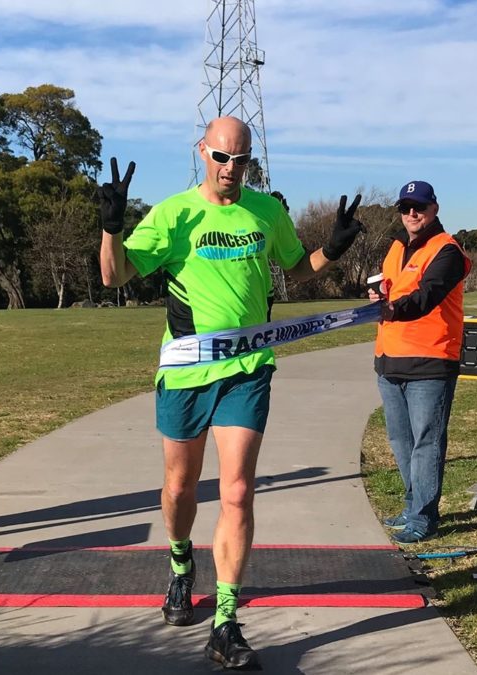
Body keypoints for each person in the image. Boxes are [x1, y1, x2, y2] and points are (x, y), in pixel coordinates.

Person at [98, 115, 363, 670]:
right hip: (186, 372)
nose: (230, 169)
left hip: (248, 370)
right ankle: (178, 565)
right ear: (202, 152)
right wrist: (111, 227)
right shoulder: (174, 213)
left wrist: (332, 251)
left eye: (241, 160)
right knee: (180, 487)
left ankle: (225, 621)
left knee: (238, 490)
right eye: (222, 158)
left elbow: (297, 269)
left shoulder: (265, 210)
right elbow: (114, 277)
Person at [366, 180, 470, 544]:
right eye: (406, 206)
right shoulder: (396, 246)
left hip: (430, 362)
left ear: (434, 209)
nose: (412, 213)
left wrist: (394, 307)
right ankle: (412, 506)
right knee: (400, 440)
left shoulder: (448, 250)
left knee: (427, 442)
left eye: (420, 206)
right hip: (389, 360)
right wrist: (377, 296)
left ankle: (424, 516)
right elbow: (391, 290)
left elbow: (427, 296)